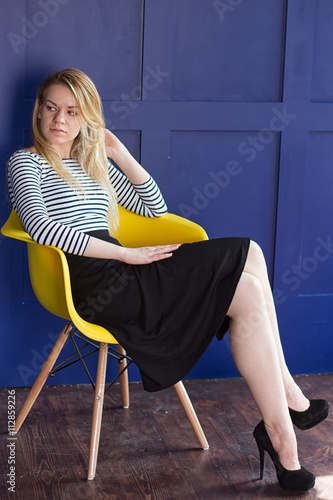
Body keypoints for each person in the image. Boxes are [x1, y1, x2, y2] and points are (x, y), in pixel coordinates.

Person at [7, 68, 328, 492]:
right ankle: (286, 424)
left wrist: (118, 152)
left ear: (87, 119)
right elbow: (45, 230)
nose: (58, 121)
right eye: (50, 107)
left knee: (249, 259)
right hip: (95, 284)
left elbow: (153, 207)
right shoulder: (26, 162)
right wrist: (126, 253)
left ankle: (283, 420)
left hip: (125, 269)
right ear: (38, 110)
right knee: (245, 280)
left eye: (71, 111)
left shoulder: (93, 164)